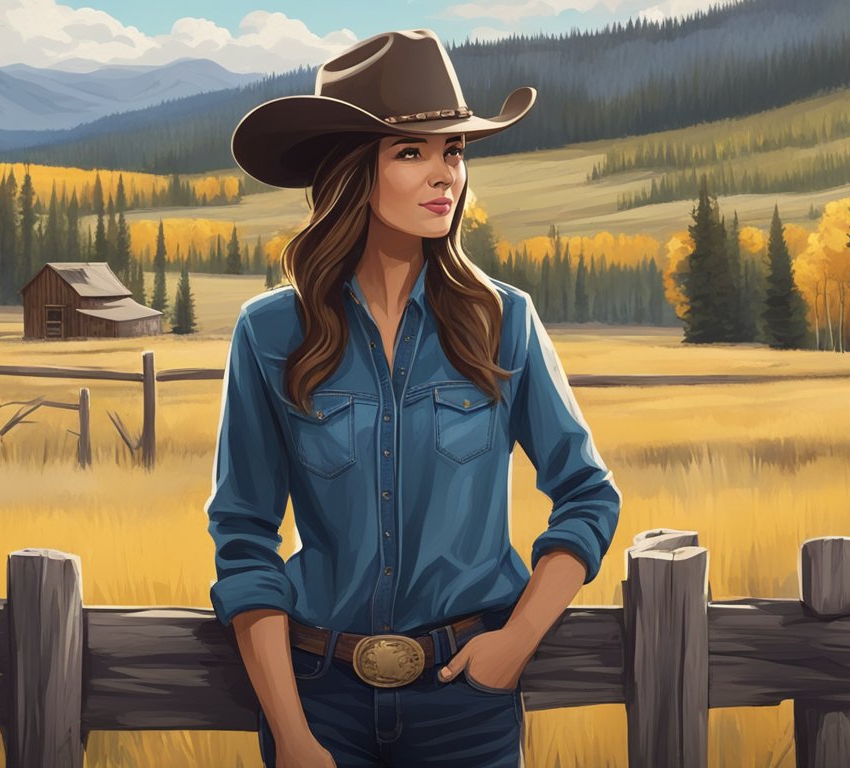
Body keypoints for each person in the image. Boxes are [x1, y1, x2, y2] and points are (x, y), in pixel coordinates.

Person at [207, 28, 621, 768]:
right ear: (351, 174)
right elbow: (244, 538)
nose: (445, 178)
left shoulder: (504, 321)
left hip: (466, 699)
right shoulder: (270, 332)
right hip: (317, 695)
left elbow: (588, 496)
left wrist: (513, 646)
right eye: (412, 152)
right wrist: (294, 734)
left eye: (454, 153)